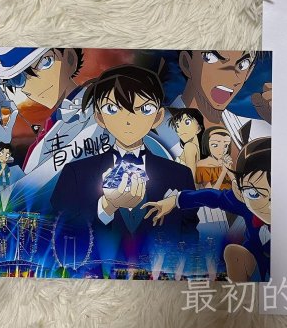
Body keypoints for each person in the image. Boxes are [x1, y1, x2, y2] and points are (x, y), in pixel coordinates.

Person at [51, 65, 199, 276]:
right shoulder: (75, 174)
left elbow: (189, 237)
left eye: (144, 109)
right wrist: (106, 207)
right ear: (99, 117)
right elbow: (61, 239)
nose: (128, 120)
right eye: (113, 109)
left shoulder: (179, 175)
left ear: (158, 117)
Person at [0, 47, 107, 211]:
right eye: (19, 79)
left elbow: (41, 186)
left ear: (70, 59)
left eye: (46, 63)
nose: (34, 84)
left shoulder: (100, 111)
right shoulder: (55, 122)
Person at [143, 137, 271, 282]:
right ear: (239, 191)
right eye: (254, 193)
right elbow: (212, 196)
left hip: (284, 264)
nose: (268, 205)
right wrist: (174, 200)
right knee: (233, 253)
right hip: (255, 261)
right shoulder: (243, 201)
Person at [154, 51, 272, 160]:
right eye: (210, 58)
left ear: (249, 72)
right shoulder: (155, 132)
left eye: (242, 65)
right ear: (186, 63)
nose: (231, 78)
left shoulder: (259, 130)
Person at [168, 108, 204, 180]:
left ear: (199, 128)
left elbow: (191, 177)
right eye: (177, 126)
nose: (180, 129)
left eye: (187, 122)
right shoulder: (196, 148)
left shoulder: (189, 146)